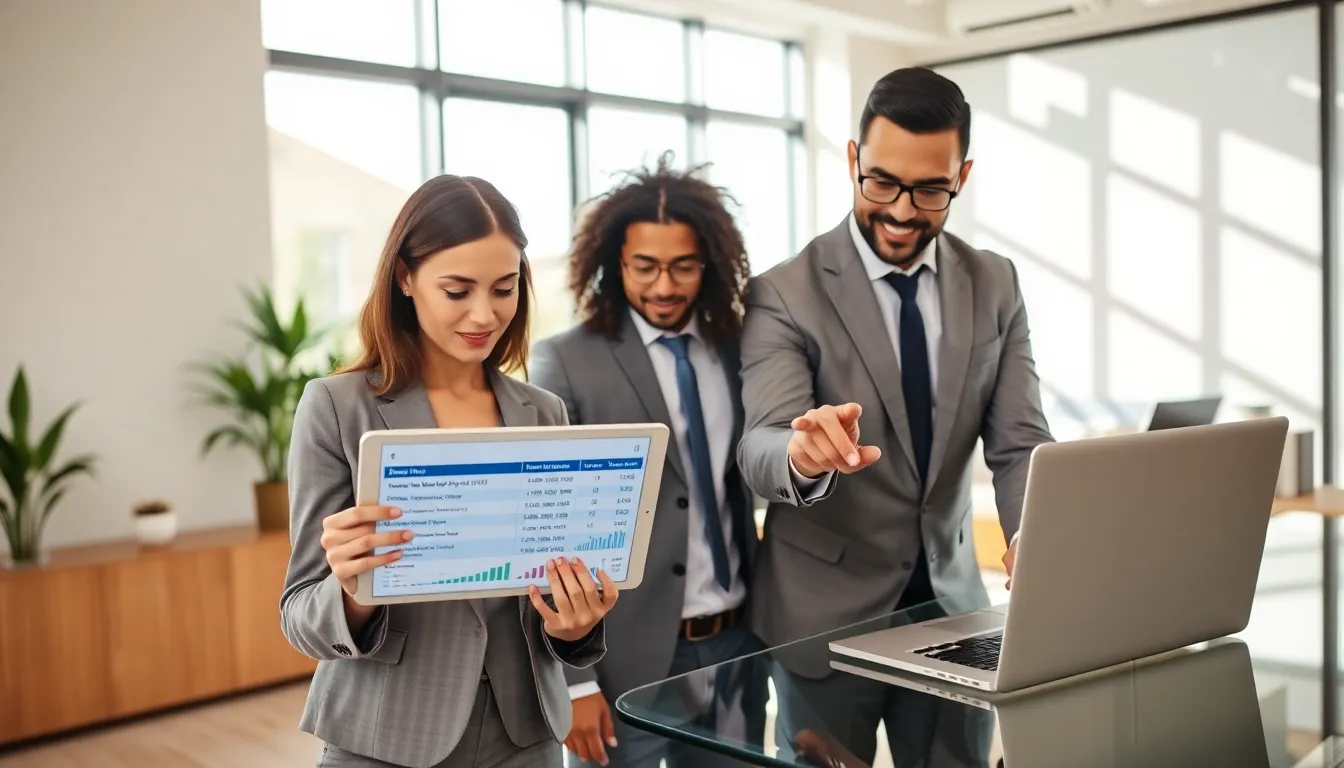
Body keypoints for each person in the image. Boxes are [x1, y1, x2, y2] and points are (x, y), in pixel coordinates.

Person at [736, 67, 1054, 763]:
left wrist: (1037, 532)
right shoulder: (784, 292)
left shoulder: (994, 282)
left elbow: (1020, 441)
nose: (904, 211)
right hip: (823, 620)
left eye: (931, 188)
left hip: (953, 607)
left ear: (962, 175)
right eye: (880, 181)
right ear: (852, 159)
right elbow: (759, 442)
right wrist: (803, 456)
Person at [280, 174, 618, 768]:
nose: (484, 314)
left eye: (504, 289)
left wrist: (574, 625)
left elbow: (546, 593)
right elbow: (301, 614)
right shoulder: (338, 406)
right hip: (387, 735)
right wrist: (356, 589)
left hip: (527, 736)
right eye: (457, 291)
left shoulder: (543, 412)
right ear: (405, 278)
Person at [530, 153, 767, 768]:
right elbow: (549, 530)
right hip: (619, 658)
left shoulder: (740, 350)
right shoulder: (566, 361)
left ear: (709, 264)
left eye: (683, 266)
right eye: (646, 267)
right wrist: (575, 682)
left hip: (736, 642)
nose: (664, 286)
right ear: (615, 264)